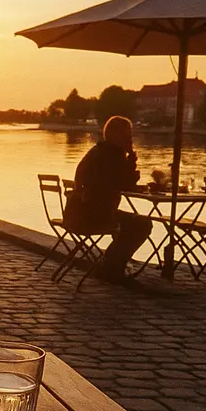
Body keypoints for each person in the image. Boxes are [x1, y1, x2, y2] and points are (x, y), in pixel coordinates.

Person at [63, 115, 152, 284]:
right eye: (127, 134)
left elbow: (117, 182)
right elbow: (125, 183)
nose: (130, 138)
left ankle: (110, 265)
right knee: (142, 224)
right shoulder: (112, 155)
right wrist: (131, 158)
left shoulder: (97, 151)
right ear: (115, 135)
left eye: (130, 134)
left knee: (130, 222)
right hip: (94, 216)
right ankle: (112, 268)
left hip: (75, 213)